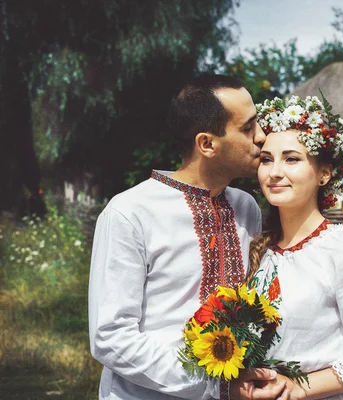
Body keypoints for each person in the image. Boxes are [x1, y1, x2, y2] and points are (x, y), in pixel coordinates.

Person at [88, 74, 288, 400]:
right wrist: (216, 386)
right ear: (207, 144)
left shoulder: (246, 207)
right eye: (248, 128)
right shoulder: (130, 212)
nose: (262, 137)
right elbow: (110, 336)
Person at [246, 95, 343, 400]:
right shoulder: (258, 245)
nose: (274, 172)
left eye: (292, 159)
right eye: (267, 159)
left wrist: (297, 387)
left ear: (324, 173)